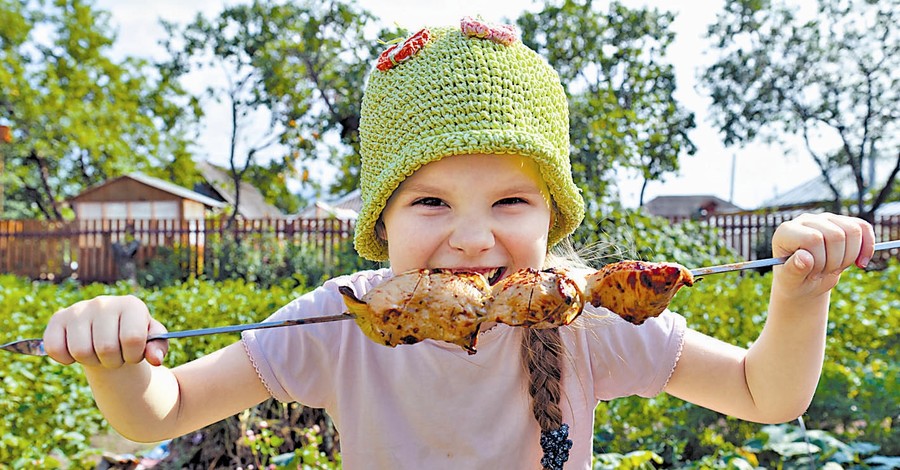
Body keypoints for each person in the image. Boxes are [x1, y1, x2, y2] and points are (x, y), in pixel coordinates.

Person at [43, 18, 875, 470]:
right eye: (431, 200)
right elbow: (168, 413)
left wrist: (801, 296)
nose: (474, 238)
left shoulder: (589, 323)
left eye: (511, 199)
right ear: (382, 223)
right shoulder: (339, 322)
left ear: (552, 215)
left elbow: (767, 398)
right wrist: (118, 366)